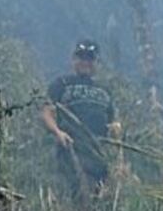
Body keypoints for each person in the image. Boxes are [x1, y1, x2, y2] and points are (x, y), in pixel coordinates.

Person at [41, 39, 116, 193]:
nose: (85, 62)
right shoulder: (61, 84)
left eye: (90, 58)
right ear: (74, 60)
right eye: (81, 58)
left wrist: (116, 129)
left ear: (96, 62)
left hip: (98, 153)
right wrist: (57, 132)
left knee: (98, 195)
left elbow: (113, 120)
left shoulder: (105, 90)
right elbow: (47, 112)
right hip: (71, 150)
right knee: (75, 191)